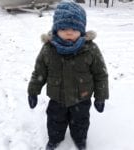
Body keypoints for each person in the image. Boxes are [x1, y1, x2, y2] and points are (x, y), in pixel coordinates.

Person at [27, 2, 109, 150]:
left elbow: (100, 74)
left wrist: (101, 95)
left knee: (81, 121)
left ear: (82, 30)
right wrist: (33, 90)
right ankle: (55, 139)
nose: (69, 33)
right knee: (55, 121)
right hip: (57, 98)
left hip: (82, 98)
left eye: (74, 29)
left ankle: (80, 139)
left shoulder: (90, 49)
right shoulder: (48, 49)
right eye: (64, 28)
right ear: (56, 29)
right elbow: (39, 72)